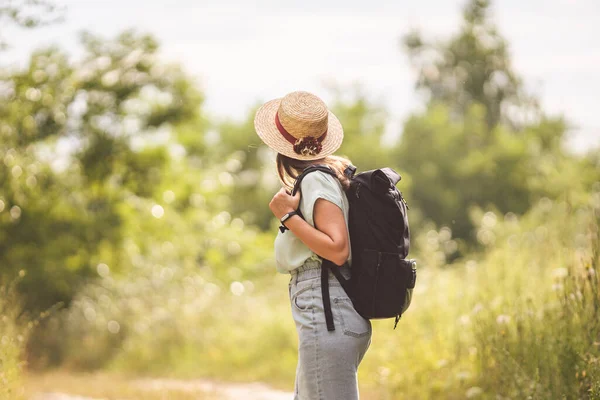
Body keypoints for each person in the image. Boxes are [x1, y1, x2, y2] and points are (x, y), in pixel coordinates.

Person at [254, 91, 372, 400]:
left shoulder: (315, 180)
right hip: (329, 311)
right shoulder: (326, 177)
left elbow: (337, 248)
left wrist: (288, 216)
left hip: (327, 312)